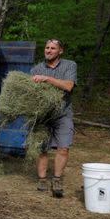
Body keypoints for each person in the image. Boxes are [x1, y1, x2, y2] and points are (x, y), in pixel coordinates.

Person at [30, 39, 77, 198]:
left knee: (63, 148)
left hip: (63, 114)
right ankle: (42, 179)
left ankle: (57, 179)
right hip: (43, 115)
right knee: (42, 148)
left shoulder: (70, 65)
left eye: (53, 48)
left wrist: (47, 79)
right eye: (47, 47)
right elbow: (31, 93)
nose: (48, 50)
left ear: (60, 51)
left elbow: (69, 86)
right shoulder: (36, 68)